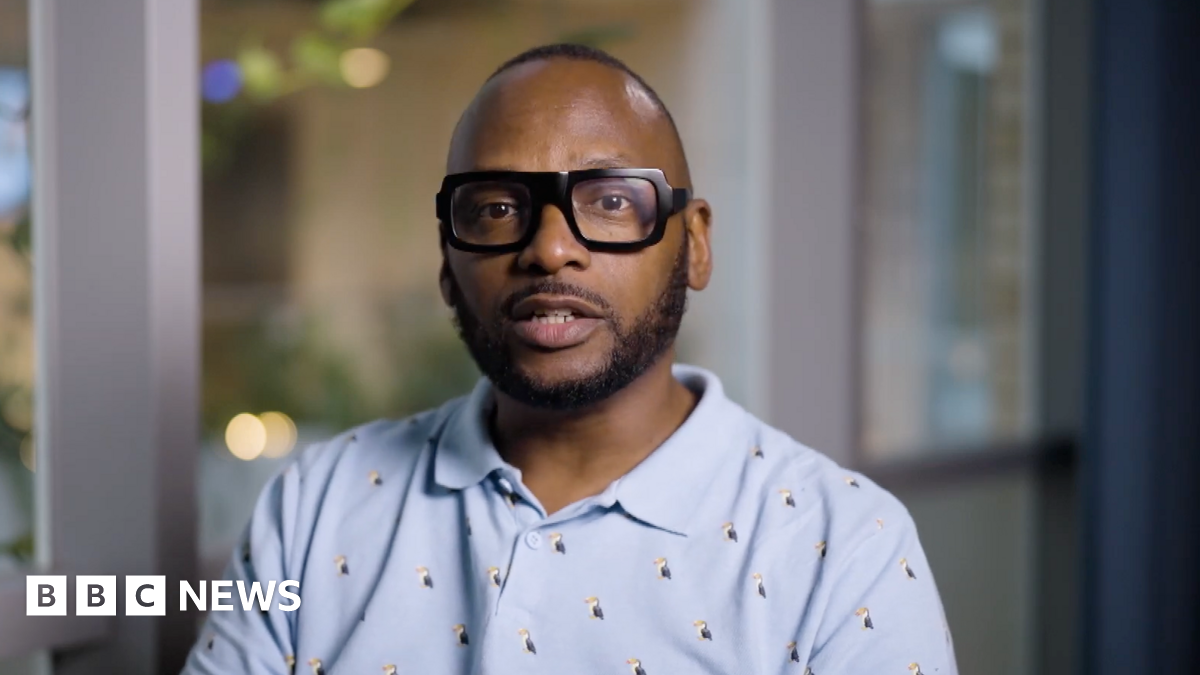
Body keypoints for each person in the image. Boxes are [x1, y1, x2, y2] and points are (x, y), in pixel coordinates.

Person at [181, 43, 958, 675]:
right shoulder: (314, 509)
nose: (550, 247)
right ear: (448, 263)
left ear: (693, 244)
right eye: (495, 208)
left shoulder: (843, 546)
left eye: (611, 201)